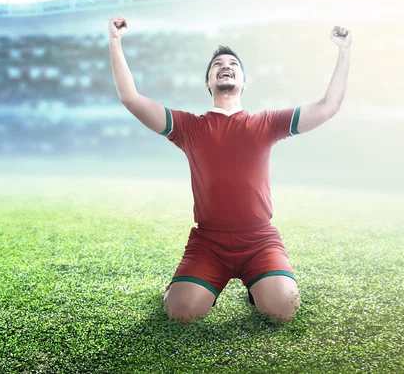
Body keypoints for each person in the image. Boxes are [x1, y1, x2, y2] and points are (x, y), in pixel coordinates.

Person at [108, 17, 352, 325]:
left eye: (233, 63)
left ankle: (258, 288)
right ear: (208, 82)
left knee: (283, 309)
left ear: (244, 82)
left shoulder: (266, 122)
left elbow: (329, 105)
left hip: (259, 240)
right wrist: (115, 41)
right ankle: (194, 289)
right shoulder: (188, 126)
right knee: (181, 314)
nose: (226, 65)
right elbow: (130, 98)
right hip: (208, 243)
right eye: (217, 64)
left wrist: (344, 51)